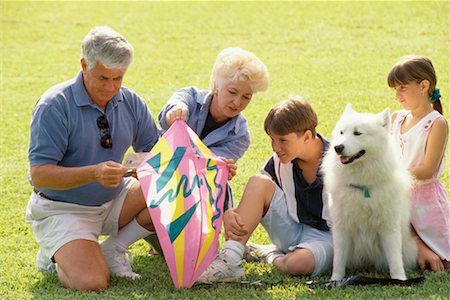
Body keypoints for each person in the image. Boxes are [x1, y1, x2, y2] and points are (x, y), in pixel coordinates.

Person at [26, 26, 160, 291]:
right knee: (92, 281)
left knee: (170, 186)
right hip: (63, 208)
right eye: (102, 78)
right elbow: (39, 175)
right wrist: (94, 173)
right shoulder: (53, 105)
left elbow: (159, 152)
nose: (111, 87)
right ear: (83, 65)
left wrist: (213, 164)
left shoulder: (131, 101)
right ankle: (55, 255)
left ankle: (113, 248)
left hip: (115, 199)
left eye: (118, 78)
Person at [146, 47, 269, 254]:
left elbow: (209, 172)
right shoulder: (189, 97)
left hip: (194, 188)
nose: (238, 102)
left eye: (246, 97)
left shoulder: (240, 135)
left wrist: (220, 168)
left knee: (192, 250)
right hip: (162, 177)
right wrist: (175, 112)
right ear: (216, 86)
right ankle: (154, 234)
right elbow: (168, 113)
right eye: (232, 92)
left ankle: (201, 240)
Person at [198, 96, 333, 282]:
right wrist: (229, 212)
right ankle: (230, 260)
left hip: (330, 237)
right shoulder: (279, 161)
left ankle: (267, 254)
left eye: (283, 140)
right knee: (258, 182)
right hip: (292, 229)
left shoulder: (341, 160)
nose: (276, 147)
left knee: (296, 264)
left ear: (307, 136)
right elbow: (256, 200)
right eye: (272, 140)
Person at [388, 55, 450, 272]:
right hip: (397, 198)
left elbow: (426, 170)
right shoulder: (397, 118)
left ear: (423, 86)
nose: (397, 94)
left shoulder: (437, 123)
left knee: (444, 262)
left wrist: (391, 177)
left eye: (402, 87)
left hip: (426, 203)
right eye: (395, 89)